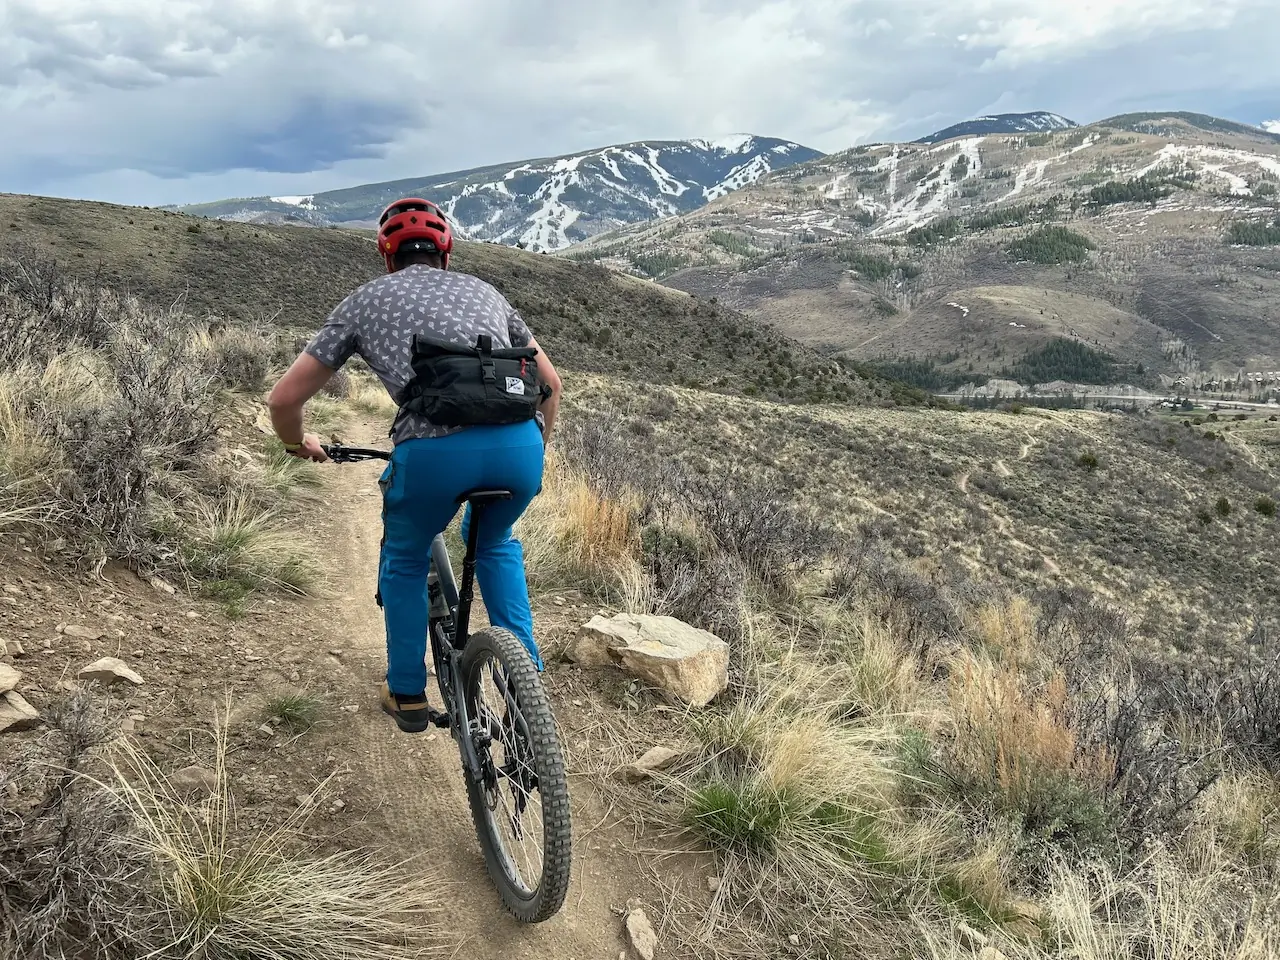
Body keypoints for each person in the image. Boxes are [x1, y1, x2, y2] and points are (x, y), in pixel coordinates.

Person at [266, 197, 562, 734]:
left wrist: (296, 445)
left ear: (387, 255)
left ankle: (407, 693)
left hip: (431, 456)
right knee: (495, 542)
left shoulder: (363, 301)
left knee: (404, 558)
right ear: (445, 252)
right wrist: (535, 449)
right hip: (520, 449)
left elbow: (283, 401)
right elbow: (552, 386)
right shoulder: (487, 292)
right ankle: (527, 692)